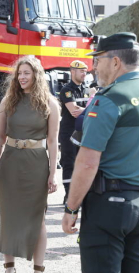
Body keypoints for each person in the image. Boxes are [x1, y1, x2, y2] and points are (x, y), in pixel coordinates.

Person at [61, 32, 139, 273]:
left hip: (111, 207)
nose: (94, 67)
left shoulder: (110, 100)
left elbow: (88, 162)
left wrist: (71, 208)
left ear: (115, 62)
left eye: (98, 60)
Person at [0, 56, 59, 273]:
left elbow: (53, 141)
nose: (22, 77)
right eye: (19, 73)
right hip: (10, 164)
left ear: (36, 75)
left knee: (38, 219)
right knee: (9, 218)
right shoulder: (8, 101)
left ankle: (38, 271)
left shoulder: (50, 103)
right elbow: (0, 138)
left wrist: (53, 174)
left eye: (27, 73)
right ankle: (9, 269)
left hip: (36, 164)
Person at [58, 60, 89, 204]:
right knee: (69, 163)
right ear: (73, 71)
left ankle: (79, 195)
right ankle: (68, 195)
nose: (84, 74)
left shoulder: (85, 88)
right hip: (69, 133)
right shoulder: (67, 90)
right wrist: (91, 109)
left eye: (86, 71)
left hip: (82, 132)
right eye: (82, 71)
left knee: (82, 164)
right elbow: (74, 111)